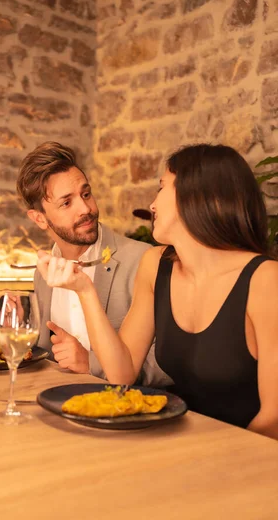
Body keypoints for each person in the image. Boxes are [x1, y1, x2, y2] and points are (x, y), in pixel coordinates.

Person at [37, 143, 278, 439]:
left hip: (247, 455)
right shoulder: (156, 265)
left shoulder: (266, 280)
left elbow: (274, 418)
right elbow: (121, 373)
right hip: (177, 438)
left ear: (199, 198)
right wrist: (84, 291)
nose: (152, 205)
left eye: (162, 188)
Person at [16, 141, 170, 385]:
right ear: (39, 219)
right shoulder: (44, 272)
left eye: (86, 194)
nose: (86, 208)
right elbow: (46, 354)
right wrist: (24, 328)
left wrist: (91, 364)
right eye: (66, 203)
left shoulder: (143, 259)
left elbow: (170, 363)